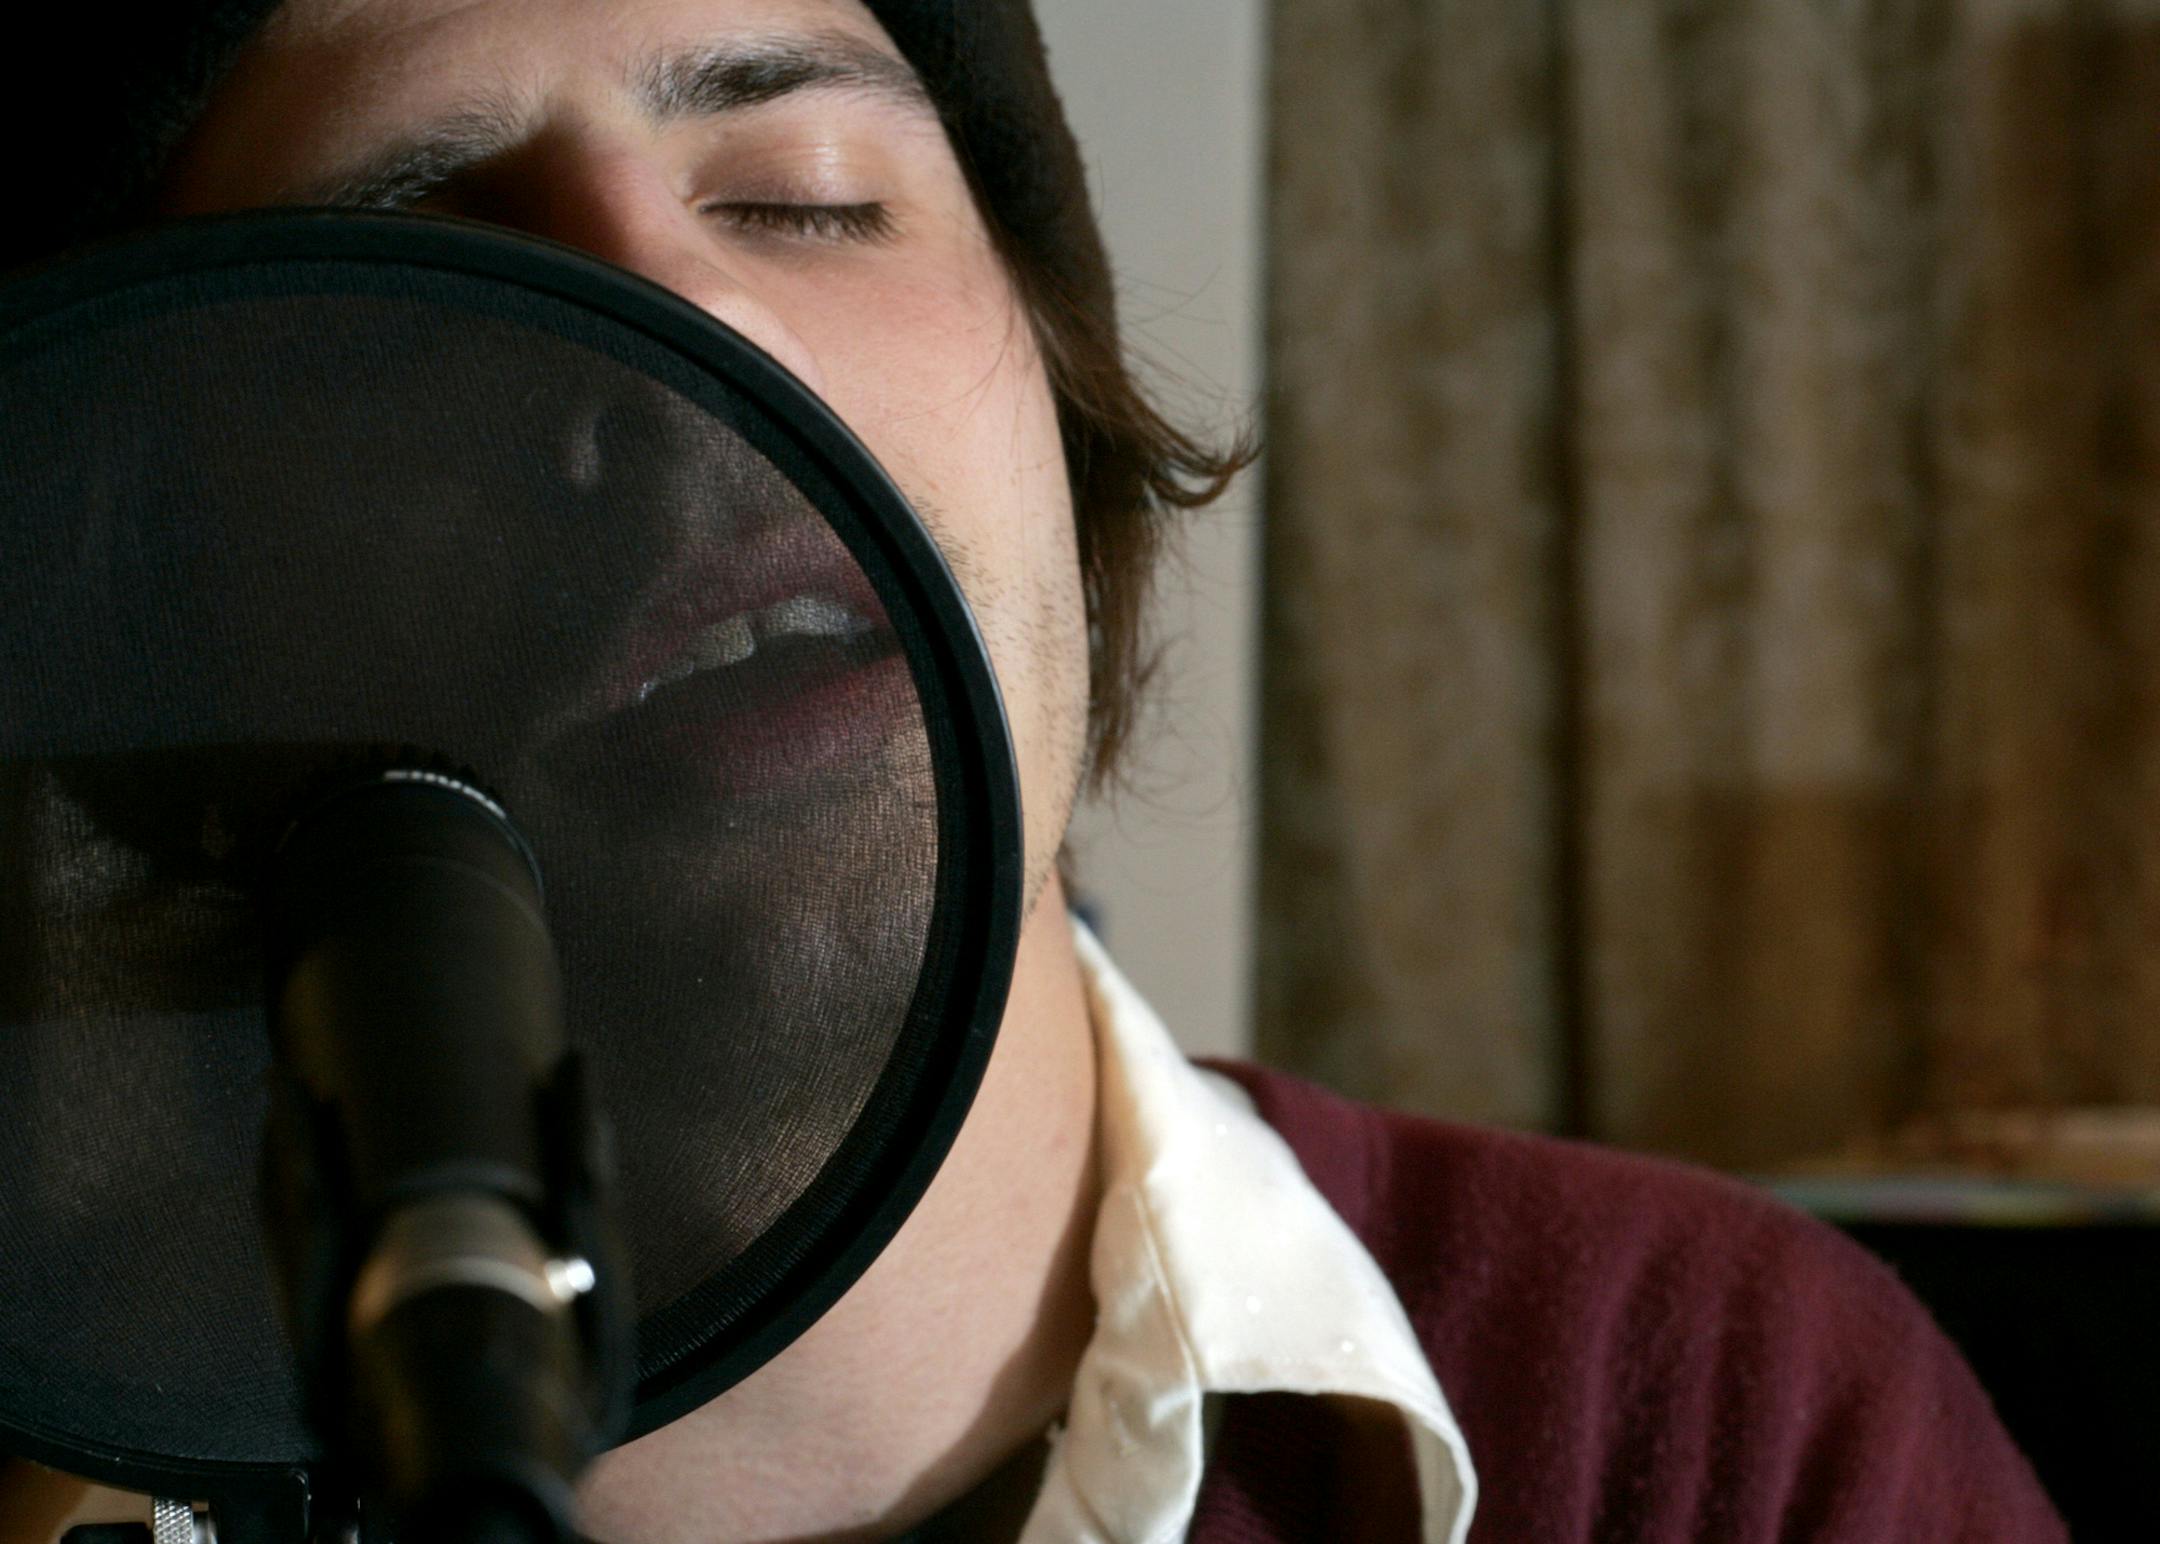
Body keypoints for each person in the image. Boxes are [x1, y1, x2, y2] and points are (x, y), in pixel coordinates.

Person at [0, 1, 2067, 1540]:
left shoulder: (1712, 1425)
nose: (693, 333)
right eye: (427, 272)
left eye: (806, 199)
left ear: (1055, 406)